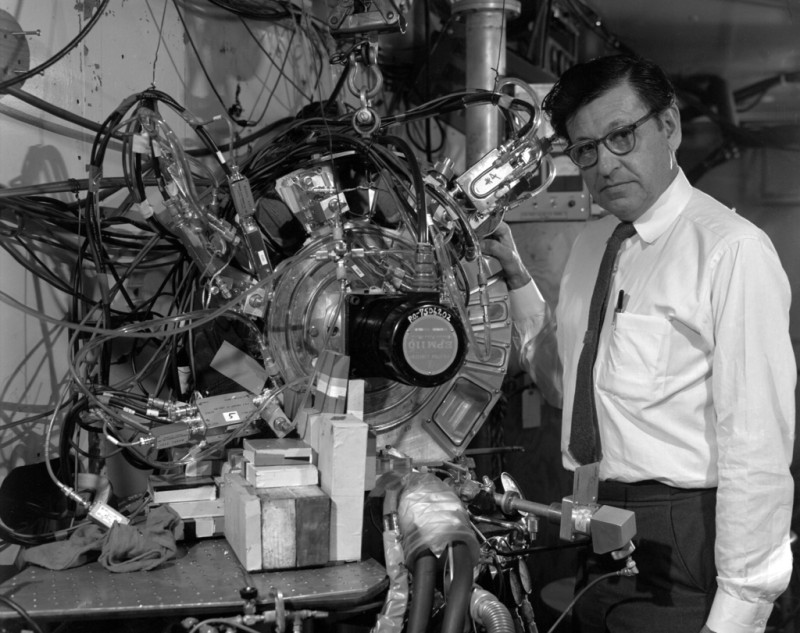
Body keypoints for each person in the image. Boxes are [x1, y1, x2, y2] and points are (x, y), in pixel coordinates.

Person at [482, 54, 796, 633]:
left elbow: (758, 452)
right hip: (595, 525)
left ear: (668, 127)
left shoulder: (730, 251)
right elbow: (561, 388)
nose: (605, 162)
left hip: (685, 540)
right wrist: (518, 278)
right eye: (585, 150)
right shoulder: (589, 249)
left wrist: (739, 614)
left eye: (621, 136)